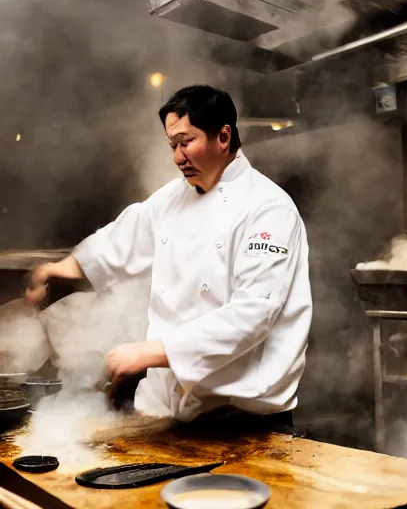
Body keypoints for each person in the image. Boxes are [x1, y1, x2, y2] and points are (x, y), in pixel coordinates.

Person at [25, 85, 312, 430]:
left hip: (245, 424)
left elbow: (252, 315)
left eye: (186, 142)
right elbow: (122, 239)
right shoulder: (173, 198)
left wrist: (149, 352)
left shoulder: (268, 208)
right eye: (172, 145)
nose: (177, 157)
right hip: (168, 413)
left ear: (223, 137)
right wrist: (61, 269)